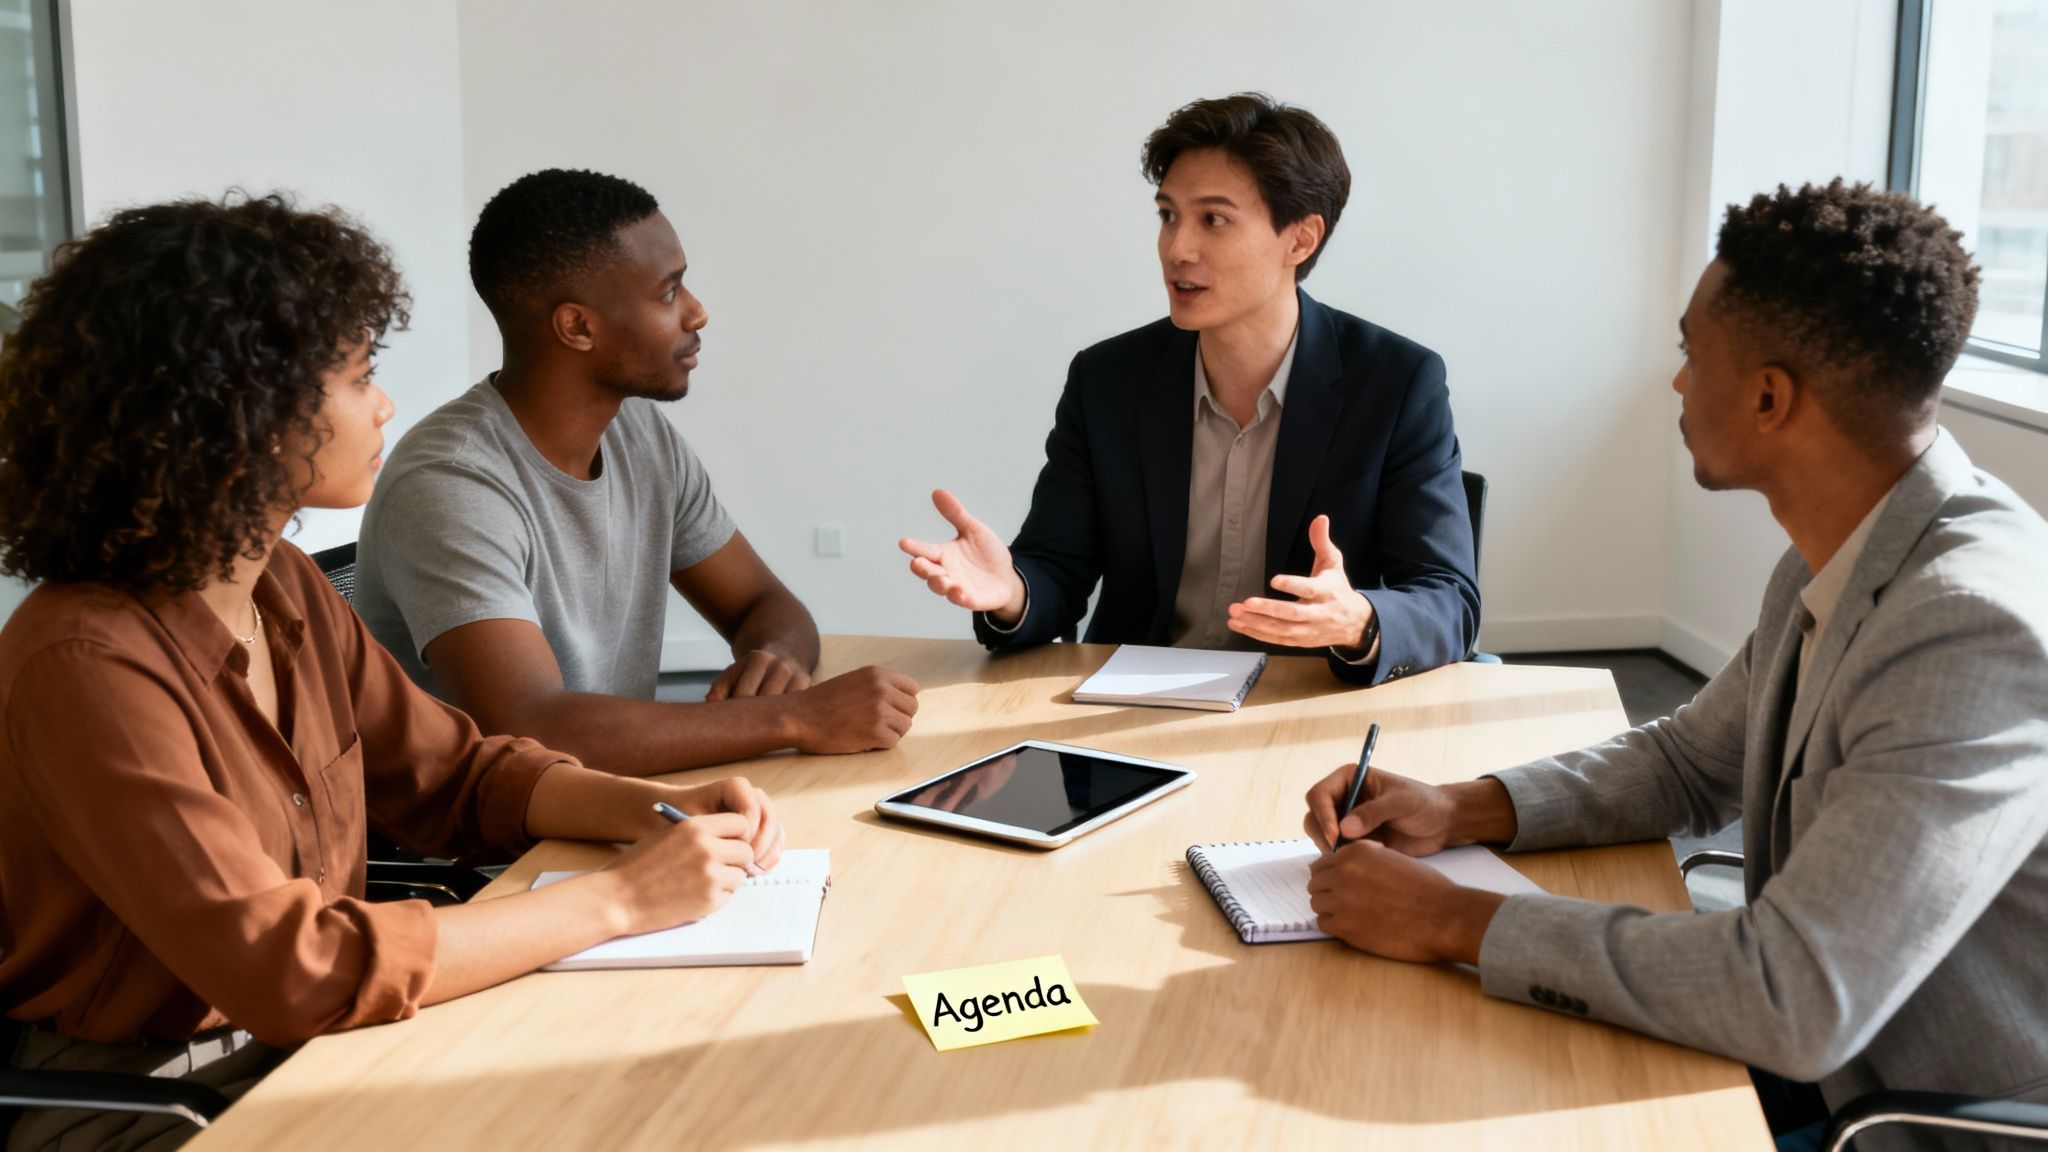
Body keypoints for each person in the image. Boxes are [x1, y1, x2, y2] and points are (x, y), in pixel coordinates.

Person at [0, 194, 784, 1151]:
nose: (385, 405)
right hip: (157, 1100)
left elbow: (454, 773)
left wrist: (647, 809)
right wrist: (622, 899)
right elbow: (292, 968)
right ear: (236, 408)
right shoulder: (87, 662)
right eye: (360, 376)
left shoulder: (281, 584)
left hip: (316, 1045)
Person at [1301, 181, 2048, 1151]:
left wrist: (1453, 922)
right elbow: (1688, 763)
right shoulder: (1840, 552)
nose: (1675, 382)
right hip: (1829, 1066)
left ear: (1769, 397)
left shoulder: (1966, 626)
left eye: (1691, 352)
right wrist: (1461, 806)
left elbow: (1791, 994)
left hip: (1908, 1114)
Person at [353, 169, 918, 776]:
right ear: (578, 327)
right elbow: (532, 730)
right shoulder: (451, 484)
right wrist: (797, 717)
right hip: (495, 858)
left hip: (613, 801)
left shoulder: (639, 435)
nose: (698, 312)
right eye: (669, 291)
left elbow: (762, 600)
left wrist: (776, 656)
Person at [899, 93, 1478, 684]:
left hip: (1300, 703)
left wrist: (1361, 621)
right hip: (1131, 704)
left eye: (1214, 219)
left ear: (1300, 240)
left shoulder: (1397, 383)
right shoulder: (1107, 380)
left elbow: (1449, 600)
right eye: (1168, 215)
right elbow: (1057, 568)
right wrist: (1012, 592)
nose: (1177, 250)